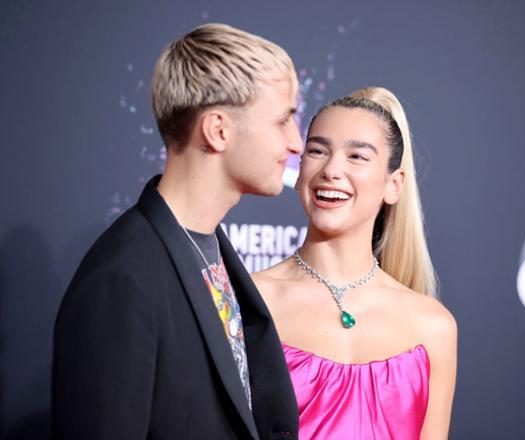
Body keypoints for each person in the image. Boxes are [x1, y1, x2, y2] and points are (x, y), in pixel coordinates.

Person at [52, 23, 302, 439]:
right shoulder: (122, 281)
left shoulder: (211, 249)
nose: (296, 142)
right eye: (283, 120)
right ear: (218, 130)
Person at [253, 87, 457, 439]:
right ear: (299, 171)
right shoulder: (249, 302)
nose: (331, 169)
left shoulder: (432, 327)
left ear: (393, 186)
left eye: (357, 156)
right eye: (317, 151)